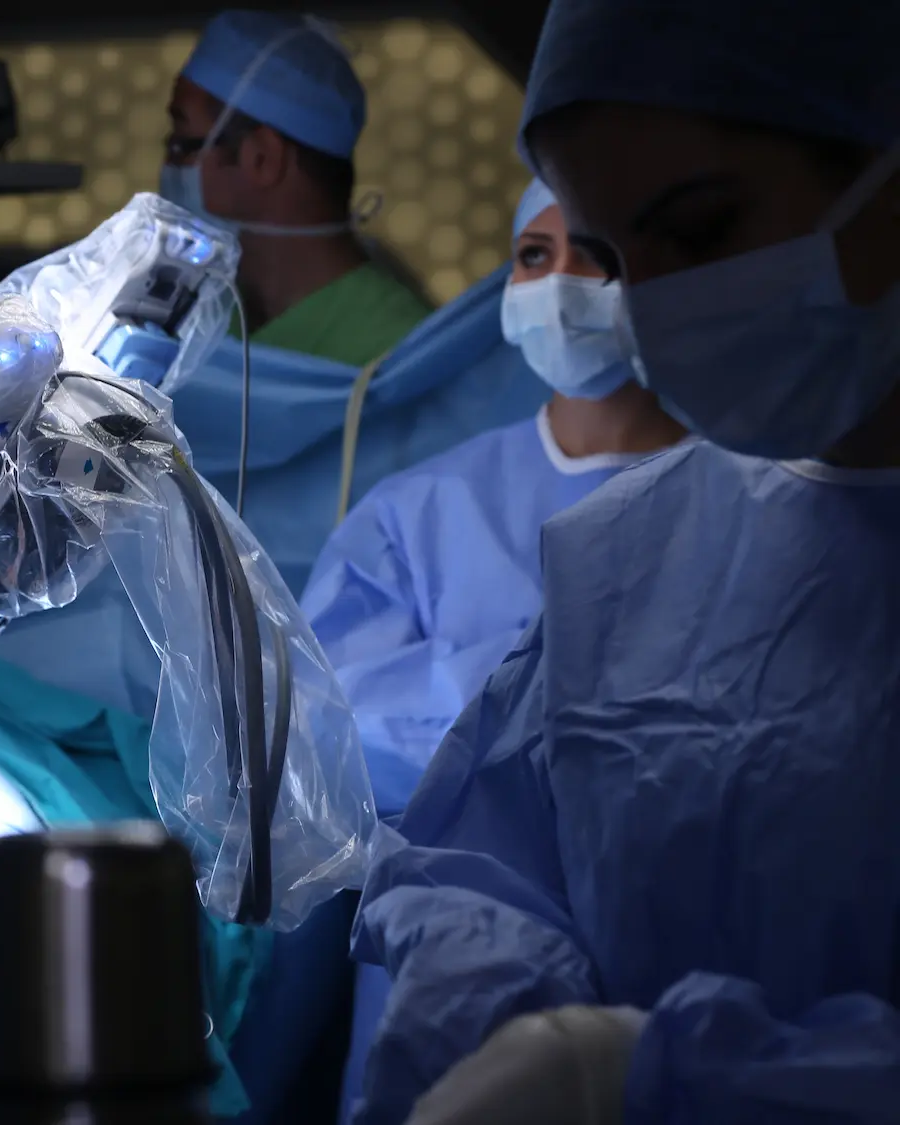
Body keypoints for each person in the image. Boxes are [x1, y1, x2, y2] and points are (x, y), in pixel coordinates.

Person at [348, 0, 900, 1122]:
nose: (654, 307)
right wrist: (502, 1011)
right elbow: (482, 865)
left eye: (699, 230)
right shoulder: (623, 557)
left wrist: (653, 1076)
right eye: (611, 256)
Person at [301, 178, 686, 820]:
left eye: (595, 253)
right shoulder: (417, 512)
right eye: (535, 255)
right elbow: (330, 728)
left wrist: (496, 699)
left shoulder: (748, 498)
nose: (559, 285)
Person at [161, 9, 432, 366]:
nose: (167, 167)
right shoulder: (206, 314)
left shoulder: (400, 354)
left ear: (263, 158)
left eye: (182, 143)